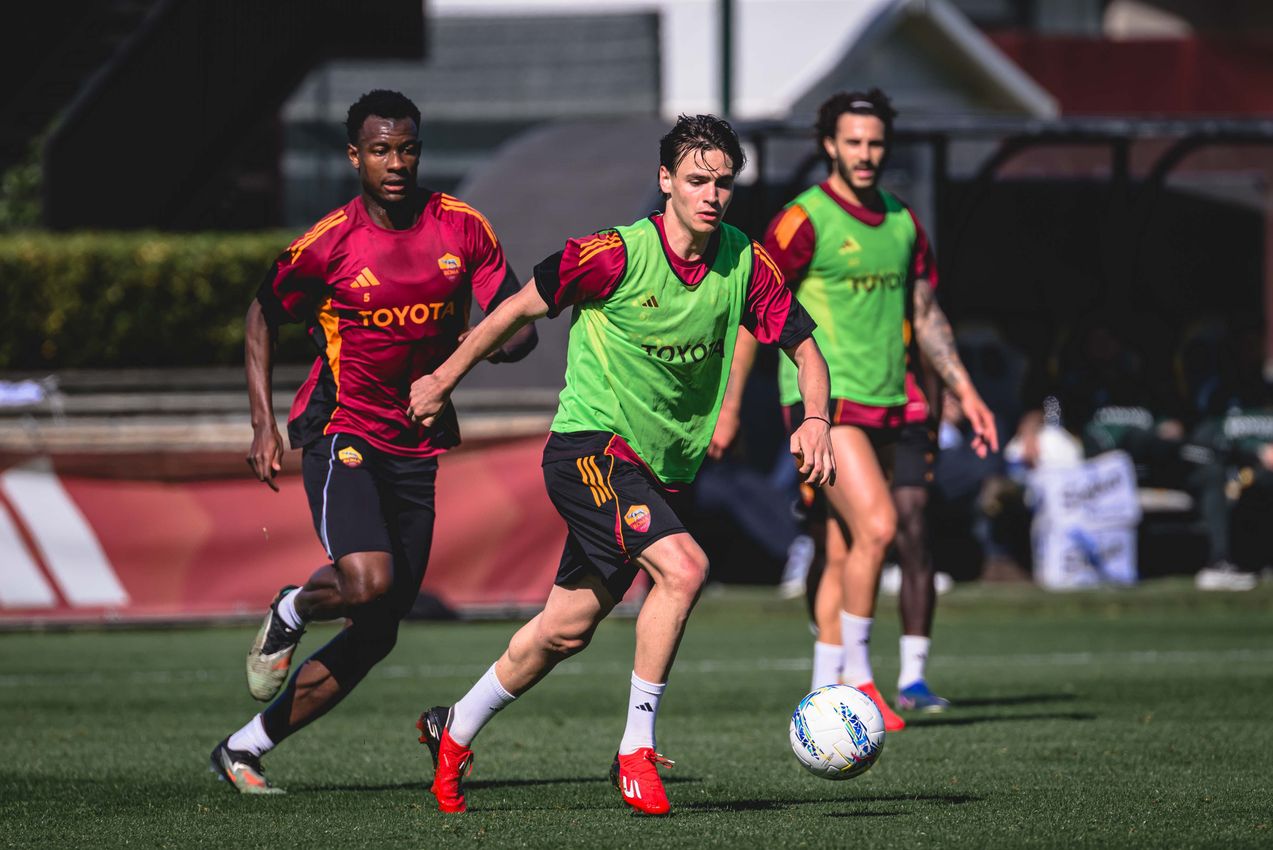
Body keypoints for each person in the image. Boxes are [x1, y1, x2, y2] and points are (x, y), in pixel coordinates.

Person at [405, 114, 834, 815]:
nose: (712, 195)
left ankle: (452, 728)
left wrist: (816, 419)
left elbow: (806, 350)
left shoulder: (745, 262)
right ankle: (636, 750)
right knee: (684, 568)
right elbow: (514, 310)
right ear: (665, 180)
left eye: (724, 183)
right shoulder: (612, 254)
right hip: (590, 450)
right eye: (697, 180)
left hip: (658, 472)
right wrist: (442, 378)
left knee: (563, 630)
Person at [209, 89, 536, 794]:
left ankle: (242, 748)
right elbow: (262, 314)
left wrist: (494, 341)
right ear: (354, 157)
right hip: (342, 429)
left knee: (378, 628)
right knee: (368, 583)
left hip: (417, 444)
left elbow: (515, 323)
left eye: (407, 149)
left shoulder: (462, 228)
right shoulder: (329, 242)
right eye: (381, 150)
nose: (396, 163)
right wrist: (263, 423)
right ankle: (293, 607)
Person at [716, 89, 998, 730]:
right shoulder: (803, 220)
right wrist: (729, 407)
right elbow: (753, 312)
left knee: (846, 547)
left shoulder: (903, 223)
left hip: (892, 403)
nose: (866, 154)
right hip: (825, 404)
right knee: (877, 527)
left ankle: (824, 689)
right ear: (829, 145)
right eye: (853, 142)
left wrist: (965, 390)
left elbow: (926, 314)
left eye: (875, 143)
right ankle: (862, 679)